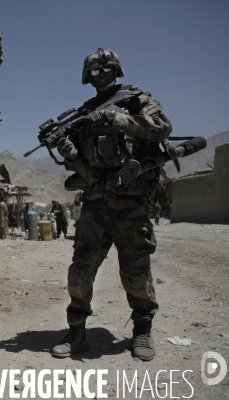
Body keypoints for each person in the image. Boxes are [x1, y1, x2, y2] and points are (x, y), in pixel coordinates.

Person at [51, 48, 172, 361]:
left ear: (116, 69)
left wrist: (125, 121)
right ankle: (76, 331)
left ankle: (142, 330)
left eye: (106, 68)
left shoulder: (136, 99)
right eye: (94, 71)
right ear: (87, 76)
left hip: (130, 199)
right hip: (94, 201)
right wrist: (68, 151)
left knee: (135, 269)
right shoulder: (84, 111)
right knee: (80, 270)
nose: (100, 74)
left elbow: (162, 128)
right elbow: (77, 160)